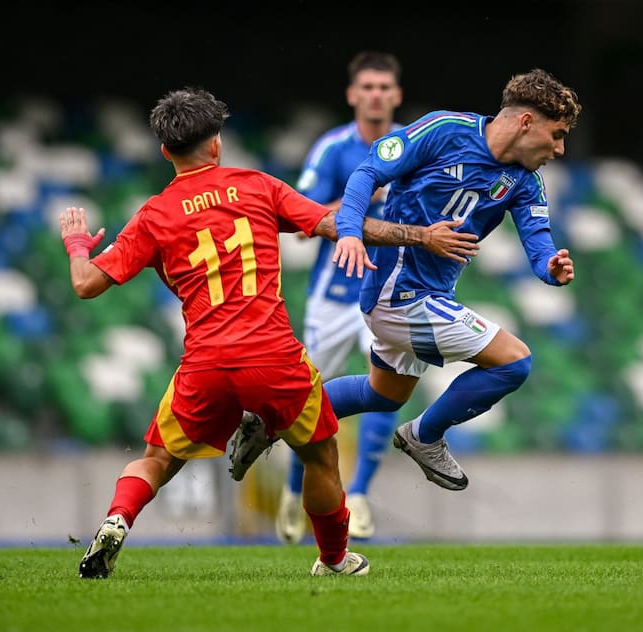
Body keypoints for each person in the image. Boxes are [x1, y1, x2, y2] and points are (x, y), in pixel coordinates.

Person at [63, 86, 479, 579]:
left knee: (156, 459)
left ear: (164, 152)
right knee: (321, 454)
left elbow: (86, 285)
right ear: (216, 144)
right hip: (275, 359)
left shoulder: (155, 215)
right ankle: (334, 559)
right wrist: (419, 235)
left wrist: (75, 246)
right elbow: (334, 222)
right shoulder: (257, 186)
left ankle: (117, 520)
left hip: (205, 365)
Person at [326, 68, 578, 490]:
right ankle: (424, 436)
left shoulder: (524, 181)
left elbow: (539, 246)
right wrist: (350, 232)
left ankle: (273, 418)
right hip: (400, 293)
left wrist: (552, 267)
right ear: (526, 122)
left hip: (426, 295)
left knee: (382, 396)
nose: (560, 148)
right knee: (514, 361)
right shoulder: (445, 130)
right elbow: (368, 172)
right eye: (557, 134)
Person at [244, 51, 405, 546]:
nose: (376, 94)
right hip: (334, 293)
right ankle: (295, 491)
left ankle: (357, 494)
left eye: (385, 87)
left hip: (390, 286)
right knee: (307, 397)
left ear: (396, 95)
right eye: (368, 86)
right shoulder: (333, 148)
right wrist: (360, 201)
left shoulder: (413, 145)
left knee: (389, 383)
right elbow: (299, 221)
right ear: (353, 94)